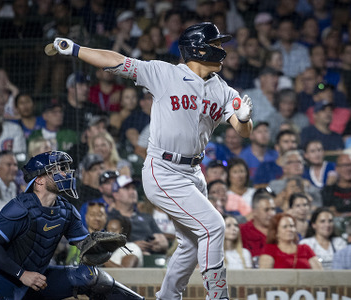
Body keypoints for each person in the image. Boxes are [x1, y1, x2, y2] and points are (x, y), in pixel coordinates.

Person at [50, 22, 255, 300]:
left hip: (194, 172)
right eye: (216, 44)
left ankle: (168, 297)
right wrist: (76, 49)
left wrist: (243, 119)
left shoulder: (223, 90)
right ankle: (218, 296)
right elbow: (117, 62)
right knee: (214, 226)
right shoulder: (165, 73)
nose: (221, 49)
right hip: (164, 168)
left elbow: (242, 130)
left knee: (193, 245)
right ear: (199, 48)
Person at [0, 151, 144, 300]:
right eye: (59, 169)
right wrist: (22, 274)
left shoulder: (66, 210)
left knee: (90, 276)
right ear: (40, 180)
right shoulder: (20, 207)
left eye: (65, 169)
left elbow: (85, 245)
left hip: (37, 278)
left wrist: (98, 249)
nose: (66, 173)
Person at [108, 175, 168, 256]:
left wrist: (156, 244)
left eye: (133, 188)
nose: (132, 191)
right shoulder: (110, 218)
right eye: (127, 188)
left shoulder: (146, 217)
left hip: (149, 257)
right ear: (116, 195)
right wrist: (133, 247)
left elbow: (164, 242)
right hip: (122, 261)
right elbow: (106, 245)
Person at [259, 213, 323, 269]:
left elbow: (319, 274)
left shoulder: (305, 249)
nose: (290, 229)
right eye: (285, 227)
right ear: (276, 232)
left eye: (292, 226)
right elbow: (265, 277)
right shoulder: (269, 250)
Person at [240, 191, 277, 260]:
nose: (271, 213)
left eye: (273, 209)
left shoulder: (281, 230)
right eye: (266, 210)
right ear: (254, 212)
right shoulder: (242, 231)